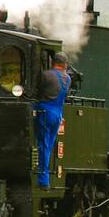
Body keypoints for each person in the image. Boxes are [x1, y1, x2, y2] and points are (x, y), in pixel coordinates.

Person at [34, 52, 71, 189]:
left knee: (43, 145)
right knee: (48, 146)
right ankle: (45, 178)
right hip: (58, 114)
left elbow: (36, 91)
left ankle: (43, 180)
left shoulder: (46, 75)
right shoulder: (67, 78)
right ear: (64, 64)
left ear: (53, 62)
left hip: (45, 112)